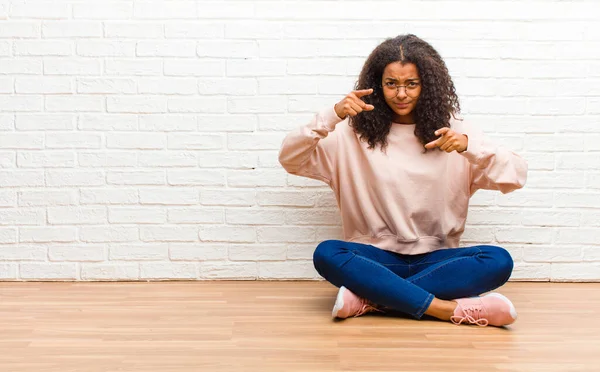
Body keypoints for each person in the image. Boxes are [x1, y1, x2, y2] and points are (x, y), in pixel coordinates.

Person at [278, 34, 528, 327]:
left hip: (436, 260)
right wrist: (331, 115)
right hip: (374, 259)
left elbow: (516, 176)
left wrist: (468, 147)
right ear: (377, 85)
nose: (401, 94)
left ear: (427, 86)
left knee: (498, 260)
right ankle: (445, 309)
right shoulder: (350, 135)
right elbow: (290, 158)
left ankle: (373, 299)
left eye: (412, 84)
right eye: (391, 84)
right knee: (328, 254)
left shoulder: (454, 132)